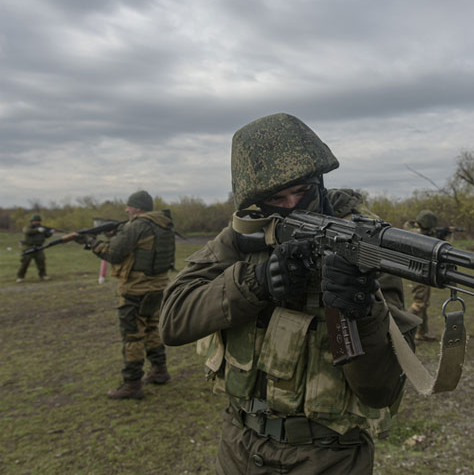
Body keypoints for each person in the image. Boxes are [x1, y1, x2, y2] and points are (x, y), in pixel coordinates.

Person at [160, 113, 418, 474]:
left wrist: (359, 310)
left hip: (327, 456)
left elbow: (382, 391)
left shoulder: (363, 245)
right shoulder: (246, 234)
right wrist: (256, 282)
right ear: (256, 202)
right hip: (239, 445)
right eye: (277, 199)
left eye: (304, 191)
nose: (293, 206)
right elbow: (173, 319)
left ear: (321, 183)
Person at [75, 190, 175, 400]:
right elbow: (142, 248)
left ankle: (132, 383)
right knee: (152, 329)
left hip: (135, 290)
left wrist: (92, 243)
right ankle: (159, 370)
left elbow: (113, 253)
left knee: (132, 336)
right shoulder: (163, 223)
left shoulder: (136, 225)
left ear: (137, 208)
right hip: (157, 286)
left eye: (129, 206)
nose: (126, 210)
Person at [403, 210, 442, 342]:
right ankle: (401, 330)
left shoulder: (411, 228)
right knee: (419, 303)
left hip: (420, 271)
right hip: (419, 271)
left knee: (424, 303)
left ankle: (422, 333)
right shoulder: (418, 234)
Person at [17, 214, 54, 282]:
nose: (37, 222)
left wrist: (51, 232)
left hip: (39, 247)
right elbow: (26, 231)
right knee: (25, 263)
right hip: (29, 247)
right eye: (35, 221)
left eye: (38, 221)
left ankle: (43, 275)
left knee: (41, 262)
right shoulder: (28, 227)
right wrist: (37, 230)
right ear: (32, 221)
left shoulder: (42, 228)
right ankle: (20, 277)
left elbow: (46, 236)